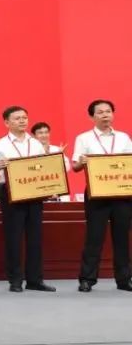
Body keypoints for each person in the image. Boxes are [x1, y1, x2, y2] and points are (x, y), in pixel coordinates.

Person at [0, 106, 56, 293]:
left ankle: (35, 280)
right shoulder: (0, 144)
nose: (22, 121)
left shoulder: (36, 143)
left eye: (24, 117)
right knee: (13, 238)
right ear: (7, 122)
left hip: (34, 193)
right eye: (17, 118)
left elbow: (44, 167)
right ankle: (15, 280)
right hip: (11, 193)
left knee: (35, 238)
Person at [71, 99, 132, 293]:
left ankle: (124, 279)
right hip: (96, 194)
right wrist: (81, 162)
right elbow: (75, 166)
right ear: (92, 117)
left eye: (108, 111)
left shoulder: (123, 137)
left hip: (121, 193)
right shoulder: (84, 138)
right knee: (94, 238)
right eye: (100, 112)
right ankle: (87, 279)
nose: (105, 115)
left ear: (113, 114)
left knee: (122, 238)